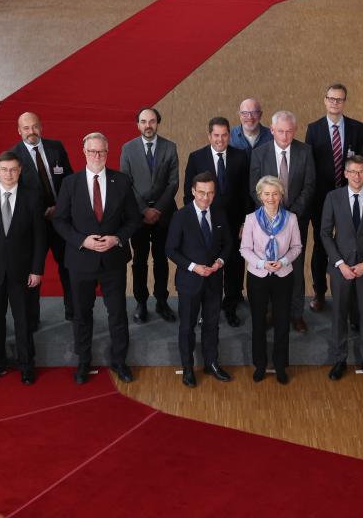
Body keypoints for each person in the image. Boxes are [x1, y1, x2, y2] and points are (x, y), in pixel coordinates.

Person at [52, 132, 141, 384]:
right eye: (92, 151)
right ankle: (83, 361)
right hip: (81, 261)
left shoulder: (121, 181)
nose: (97, 156)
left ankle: (120, 360)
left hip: (113, 259)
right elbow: (59, 220)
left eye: (101, 151)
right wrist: (82, 240)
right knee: (82, 313)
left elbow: (134, 219)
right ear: (84, 152)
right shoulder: (70, 183)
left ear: (108, 151)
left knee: (117, 313)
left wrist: (116, 238)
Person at [0, 151, 47, 385]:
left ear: (20, 170)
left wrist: (37, 270)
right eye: (4, 169)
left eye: (13, 169)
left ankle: (26, 365)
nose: (9, 174)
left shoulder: (33, 197)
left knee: (23, 320)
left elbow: (40, 238)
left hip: (23, 272)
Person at [320, 156, 363, 382]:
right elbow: (325, 233)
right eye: (353, 172)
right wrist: (340, 264)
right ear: (346, 174)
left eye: (361, 172)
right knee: (339, 315)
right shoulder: (333, 197)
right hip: (340, 269)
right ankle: (340, 360)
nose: (357, 176)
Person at [166, 172, 233, 388]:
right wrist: (194, 267)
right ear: (193, 191)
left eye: (211, 193)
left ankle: (211, 363)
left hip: (214, 279)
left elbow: (228, 244)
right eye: (202, 192)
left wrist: (220, 262)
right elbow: (171, 250)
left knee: (212, 324)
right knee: (187, 326)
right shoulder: (181, 216)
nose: (206, 198)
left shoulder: (220, 213)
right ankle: (187, 368)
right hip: (190, 281)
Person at [249, 111, 315, 332]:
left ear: (294, 131)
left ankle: (297, 314)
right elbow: (254, 188)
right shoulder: (259, 154)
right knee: (269, 266)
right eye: (280, 131)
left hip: (296, 220)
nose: (285, 136)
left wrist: (291, 215)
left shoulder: (305, 152)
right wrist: (271, 213)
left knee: (294, 266)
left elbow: (309, 186)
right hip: (266, 221)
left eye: (289, 131)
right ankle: (271, 312)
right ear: (272, 130)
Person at [305, 83, 363, 312]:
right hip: (322, 200)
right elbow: (309, 167)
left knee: (352, 244)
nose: (335, 103)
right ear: (325, 100)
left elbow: (361, 165)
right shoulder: (314, 129)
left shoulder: (358, 128)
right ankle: (319, 292)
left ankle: (350, 293)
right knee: (322, 246)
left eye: (339, 99)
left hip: (352, 197)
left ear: (344, 102)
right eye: (331, 98)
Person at [10, 112, 75, 331]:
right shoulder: (13, 156)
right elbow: (14, 193)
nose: (31, 132)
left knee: (67, 266)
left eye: (35, 127)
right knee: (32, 271)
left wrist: (60, 208)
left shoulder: (56, 147)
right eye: (26, 128)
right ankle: (32, 317)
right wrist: (41, 212)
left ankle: (72, 310)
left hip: (61, 219)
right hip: (32, 224)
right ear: (19, 131)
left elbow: (69, 181)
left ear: (41, 126)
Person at [183, 117, 249, 327]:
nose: (220, 140)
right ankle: (206, 309)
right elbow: (188, 194)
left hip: (234, 223)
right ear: (209, 135)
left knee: (234, 266)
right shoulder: (196, 157)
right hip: (207, 224)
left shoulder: (241, 157)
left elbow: (247, 193)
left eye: (224, 135)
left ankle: (230, 306)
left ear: (230, 135)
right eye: (216, 135)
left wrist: (245, 222)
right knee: (209, 266)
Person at [240, 176, 302, 385]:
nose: (271, 198)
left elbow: (297, 247)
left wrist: (283, 261)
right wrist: (261, 264)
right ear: (260, 196)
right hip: (258, 276)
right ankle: (260, 365)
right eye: (266, 194)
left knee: (282, 323)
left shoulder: (291, 219)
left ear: (281, 195)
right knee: (258, 322)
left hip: (283, 276)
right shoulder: (250, 219)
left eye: (275, 194)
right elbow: (245, 249)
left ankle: (280, 366)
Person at [119, 107, 179, 324]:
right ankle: (141, 302)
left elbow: (173, 183)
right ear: (138, 125)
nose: (148, 125)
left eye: (152, 121)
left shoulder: (170, 147)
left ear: (157, 123)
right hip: (137, 215)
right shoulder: (128, 148)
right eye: (143, 121)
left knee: (162, 259)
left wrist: (158, 209)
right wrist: (144, 209)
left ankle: (162, 302)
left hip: (164, 214)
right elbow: (126, 183)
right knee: (140, 260)